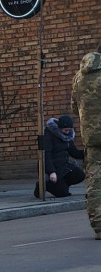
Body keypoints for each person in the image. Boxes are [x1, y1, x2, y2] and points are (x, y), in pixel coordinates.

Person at [71, 48, 101, 239]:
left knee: (96, 182)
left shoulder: (79, 77)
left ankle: (99, 226)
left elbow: (74, 107)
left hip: (91, 137)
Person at [36, 114, 86, 199]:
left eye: (69, 130)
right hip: (52, 166)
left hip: (63, 166)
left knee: (79, 175)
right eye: (65, 130)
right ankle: (42, 185)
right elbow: (46, 155)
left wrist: (86, 154)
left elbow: (73, 152)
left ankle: (62, 184)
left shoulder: (67, 137)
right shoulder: (49, 136)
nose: (67, 132)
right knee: (62, 193)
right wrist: (51, 172)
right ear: (59, 128)